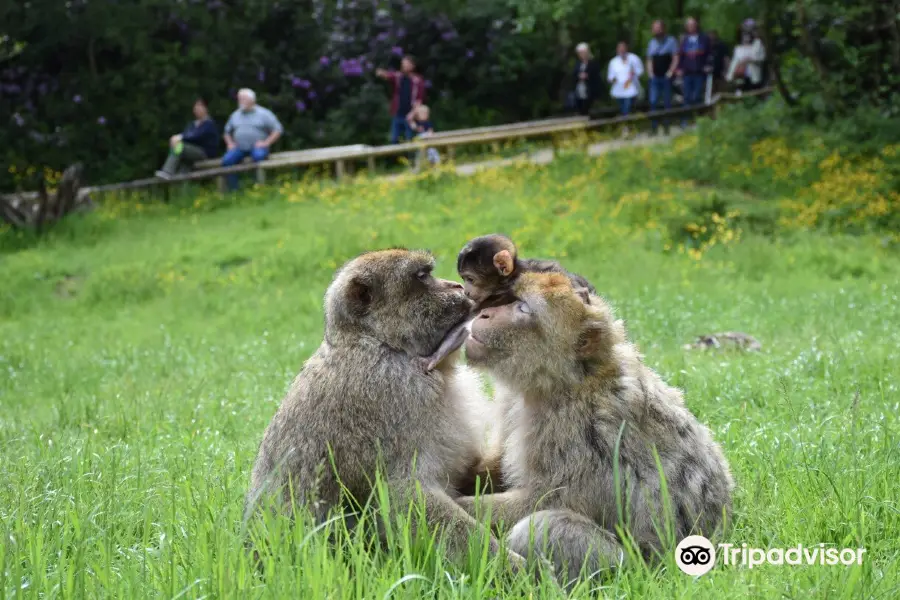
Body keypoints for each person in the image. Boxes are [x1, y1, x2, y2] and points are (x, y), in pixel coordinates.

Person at [221, 88, 283, 191]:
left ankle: (258, 188)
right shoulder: (235, 115)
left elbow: (278, 129)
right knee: (227, 160)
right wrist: (230, 143)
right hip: (239, 148)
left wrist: (266, 142)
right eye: (239, 99)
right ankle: (234, 191)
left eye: (243, 98)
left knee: (258, 156)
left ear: (252, 100)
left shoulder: (264, 113)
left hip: (258, 147)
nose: (240, 101)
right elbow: (226, 132)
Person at [155, 97, 219, 179]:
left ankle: (167, 171)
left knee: (179, 146)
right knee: (183, 168)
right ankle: (180, 187)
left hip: (204, 153)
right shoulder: (192, 124)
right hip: (190, 152)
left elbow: (196, 136)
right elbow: (186, 134)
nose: (197, 109)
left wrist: (179, 138)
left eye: (200, 106)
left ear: (205, 108)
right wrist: (177, 138)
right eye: (195, 107)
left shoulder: (209, 124)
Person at [376, 55, 426, 144]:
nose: (404, 66)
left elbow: (419, 100)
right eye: (403, 64)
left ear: (412, 66)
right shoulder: (398, 76)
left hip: (410, 116)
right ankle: (397, 158)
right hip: (398, 114)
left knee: (410, 140)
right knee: (394, 140)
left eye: (406, 64)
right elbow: (387, 75)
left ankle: (411, 157)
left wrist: (412, 114)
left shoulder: (418, 81)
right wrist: (381, 72)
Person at [646, 20, 679, 134]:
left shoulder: (671, 41)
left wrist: (670, 72)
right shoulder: (651, 43)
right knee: (653, 101)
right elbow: (649, 59)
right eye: (654, 28)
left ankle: (666, 126)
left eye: (657, 28)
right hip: (655, 76)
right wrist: (650, 73)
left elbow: (675, 57)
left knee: (666, 102)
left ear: (663, 28)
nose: (655, 30)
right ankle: (654, 127)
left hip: (666, 76)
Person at [676, 17, 712, 123]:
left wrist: (709, 65)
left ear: (697, 26)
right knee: (686, 97)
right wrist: (679, 68)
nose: (691, 27)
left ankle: (698, 120)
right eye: (689, 25)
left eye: (693, 24)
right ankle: (685, 121)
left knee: (697, 96)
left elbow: (709, 54)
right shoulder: (684, 40)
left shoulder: (704, 38)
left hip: (699, 72)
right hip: (687, 72)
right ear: (686, 27)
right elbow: (680, 55)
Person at [726, 20, 767, 92]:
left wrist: (751, 60)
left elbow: (762, 58)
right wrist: (729, 76)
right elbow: (734, 62)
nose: (746, 38)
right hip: (740, 74)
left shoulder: (756, 45)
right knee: (741, 89)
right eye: (744, 36)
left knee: (754, 90)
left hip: (754, 75)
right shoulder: (738, 49)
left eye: (747, 36)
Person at [607, 41, 644, 117]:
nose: (621, 50)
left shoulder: (634, 58)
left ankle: (626, 125)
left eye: (623, 48)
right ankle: (626, 125)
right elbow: (610, 77)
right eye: (620, 48)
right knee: (622, 109)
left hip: (631, 88)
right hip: (619, 90)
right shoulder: (613, 62)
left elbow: (640, 71)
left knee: (628, 107)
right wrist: (613, 80)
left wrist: (634, 73)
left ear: (626, 48)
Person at [572, 42, 602, 116]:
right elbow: (574, 74)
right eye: (580, 53)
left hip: (590, 89)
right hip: (579, 88)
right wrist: (579, 76)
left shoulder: (593, 63)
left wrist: (587, 76)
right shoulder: (578, 63)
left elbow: (596, 77)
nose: (581, 55)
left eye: (583, 53)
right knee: (580, 106)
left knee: (588, 107)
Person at [708, 30, 731, 94]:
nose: (711, 37)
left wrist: (726, 70)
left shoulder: (722, 46)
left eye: (713, 35)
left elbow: (726, 59)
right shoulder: (706, 46)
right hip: (708, 74)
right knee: (710, 91)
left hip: (720, 73)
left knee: (721, 91)